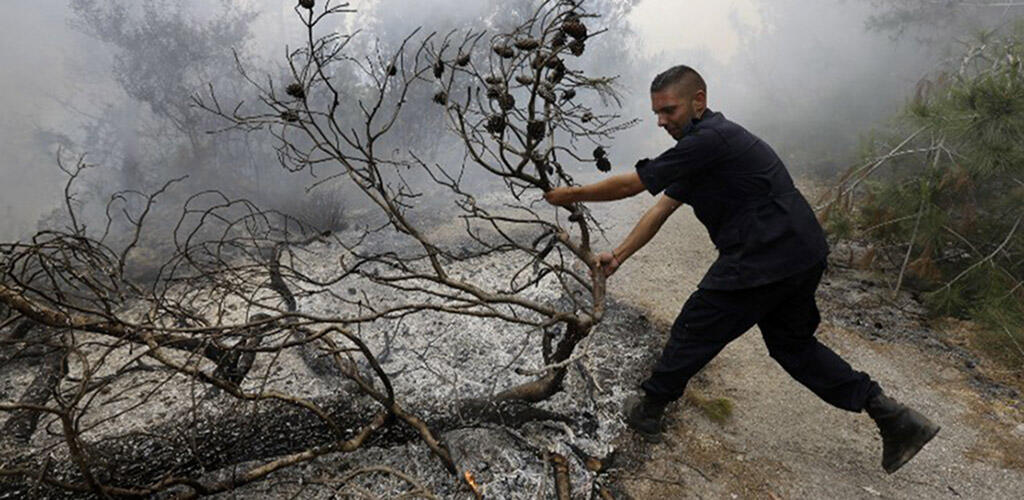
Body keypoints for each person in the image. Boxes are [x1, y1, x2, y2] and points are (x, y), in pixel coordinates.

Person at [542, 65, 939, 474]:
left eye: (669, 110)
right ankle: (892, 416)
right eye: (656, 112)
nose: (661, 120)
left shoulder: (711, 139)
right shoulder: (704, 147)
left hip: (763, 255)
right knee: (793, 347)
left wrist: (566, 195)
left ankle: (649, 408)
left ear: (699, 101)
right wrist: (620, 255)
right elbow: (659, 210)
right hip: (800, 253)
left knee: (695, 326)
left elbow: (631, 186)